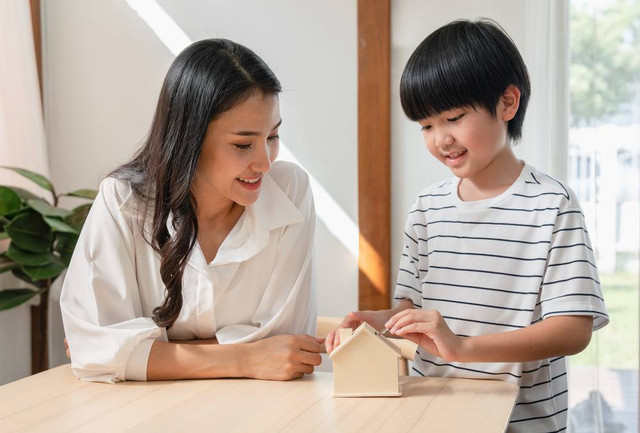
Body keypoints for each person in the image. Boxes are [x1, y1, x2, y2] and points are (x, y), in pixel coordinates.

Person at [326, 19, 608, 432]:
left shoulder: (552, 204)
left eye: (453, 117)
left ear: (508, 103)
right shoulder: (427, 208)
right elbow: (411, 311)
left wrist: (462, 348)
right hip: (431, 416)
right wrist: (373, 321)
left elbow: (573, 329)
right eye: (426, 125)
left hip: (521, 423)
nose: (440, 139)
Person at [60, 39, 323, 384]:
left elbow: (285, 349)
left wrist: (150, 353)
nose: (265, 161)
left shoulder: (290, 191)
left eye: (272, 136)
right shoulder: (123, 201)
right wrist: (244, 357)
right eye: (243, 144)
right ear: (189, 140)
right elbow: (94, 351)